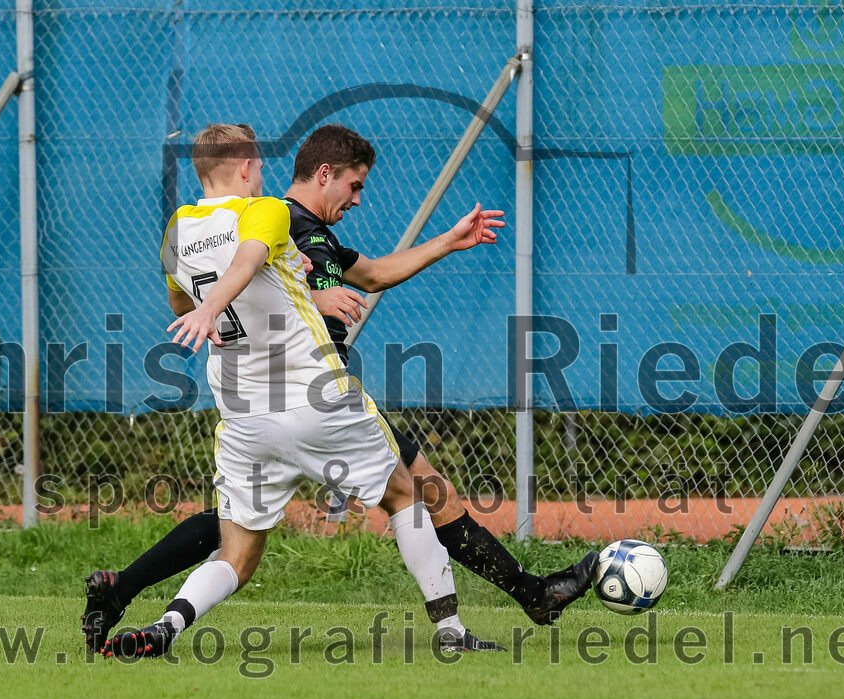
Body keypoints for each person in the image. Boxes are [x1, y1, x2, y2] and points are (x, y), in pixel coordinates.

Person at [82, 124, 598, 654]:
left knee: (237, 547)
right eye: (355, 186)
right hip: (314, 394)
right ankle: (461, 627)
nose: (357, 198)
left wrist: (445, 240)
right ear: (246, 168)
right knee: (410, 493)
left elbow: (357, 276)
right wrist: (302, 296)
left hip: (245, 411)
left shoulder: (179, 229)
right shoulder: (270, 213)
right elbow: (250, 262)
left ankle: (162, 626)